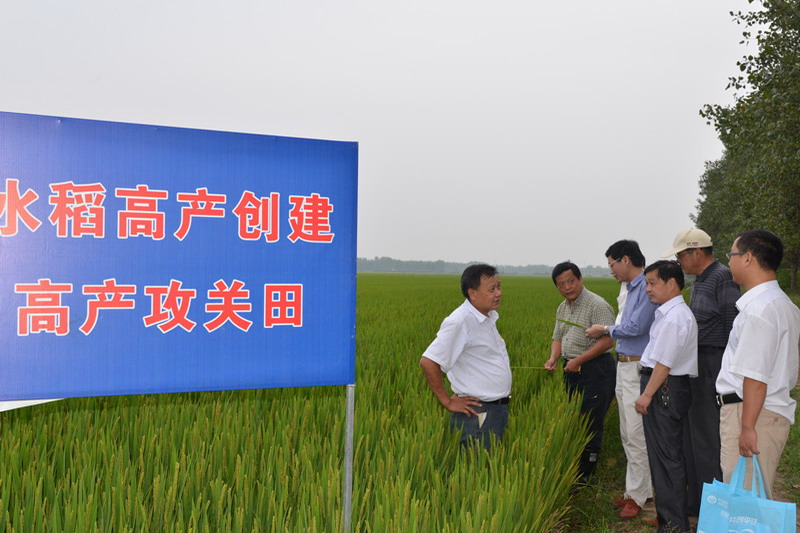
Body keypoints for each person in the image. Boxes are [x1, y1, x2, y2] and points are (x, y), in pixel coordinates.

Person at [716, 229, 800, 498]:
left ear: (748, 258)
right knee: (752, 497)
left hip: (752, 412)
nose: (729, 261)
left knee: (743, 502)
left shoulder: (760, 310)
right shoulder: (783, 304)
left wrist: (747, 427)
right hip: (763, 411)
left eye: (732, 254)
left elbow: (755, 377)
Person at [662, 228, 739, 515]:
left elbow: (733, 328)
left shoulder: (722, 277)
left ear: (696, 252)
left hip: (712, 363)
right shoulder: (700, 281)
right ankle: (696, 502)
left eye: (681, 255)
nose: (679, 262)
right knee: (692, 437)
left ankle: (713, 511)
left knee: (707, 439)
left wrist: (726, 372)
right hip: (697, 363)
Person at [586, 240, 657, 520]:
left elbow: (637, 327)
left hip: (638, 366)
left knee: (637, 433)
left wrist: (605, 329)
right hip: (624, 365)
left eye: (612, 264)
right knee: (627, 432)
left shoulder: (646, 286)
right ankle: (636, 490)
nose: (611, 271)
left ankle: (638, 496)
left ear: (625, 260)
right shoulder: (628, 288)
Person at [419, 264, 512, 451]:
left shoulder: (487, 317)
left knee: (489, 462)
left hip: (495, 409)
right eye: (492, 289)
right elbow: (428, 361)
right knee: (477, 464)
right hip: (478, 412)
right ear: (473, 293)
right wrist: (447, 401)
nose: (498, 293)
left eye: (499, 287)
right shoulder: (460, 321)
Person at [634, 260, 698, 533]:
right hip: (666, 387)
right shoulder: (669, 313)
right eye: (646, 284)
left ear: (671, 283)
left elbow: (664, 363)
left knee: (666, 458)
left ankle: (673, 524)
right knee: (666, 456)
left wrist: (647, 394)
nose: (648, 289)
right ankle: (670, 518)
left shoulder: (674, 317)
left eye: (652, 283)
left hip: (664, 389)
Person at [545, 262, 616, 482]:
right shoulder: (562, 307)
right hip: (572, 369)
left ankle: (586, 475)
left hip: (596, 369)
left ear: (580, 279)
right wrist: (553, 358)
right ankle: (576, 466)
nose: (567, 287)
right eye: (561, 284)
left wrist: (579, 360)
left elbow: (608, 341)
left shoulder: (597, 305)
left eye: (571, 281)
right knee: (576, 418)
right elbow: (558, 337)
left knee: (590, 422)